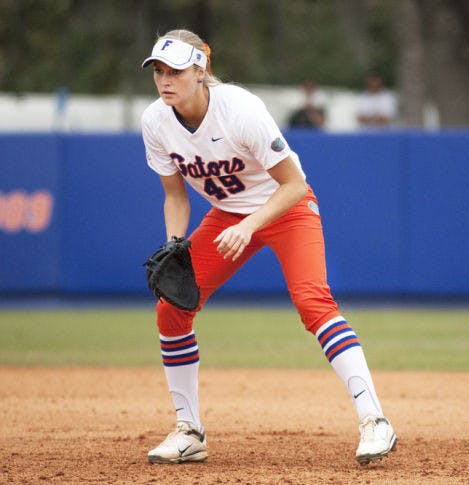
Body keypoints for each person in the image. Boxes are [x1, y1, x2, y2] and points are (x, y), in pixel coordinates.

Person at [139, 29, 397, 466]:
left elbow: (295, 185)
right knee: (172, 307)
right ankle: (189, 430)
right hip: (227, 216)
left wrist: (251, 224)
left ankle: (375, 422)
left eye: (177, 70)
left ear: (201, 70)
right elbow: (176, 196)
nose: (166, 80)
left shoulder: (239, 109)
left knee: (313, 302)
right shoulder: (155, 122)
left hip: (284, 210)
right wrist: (175, 244)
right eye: (159, 71)